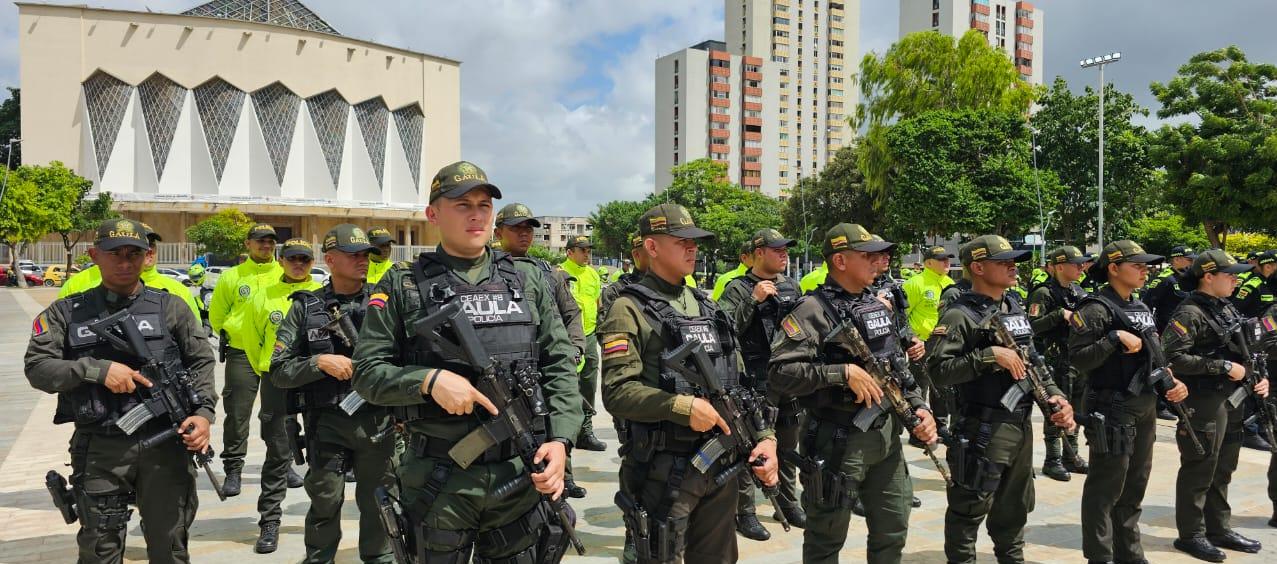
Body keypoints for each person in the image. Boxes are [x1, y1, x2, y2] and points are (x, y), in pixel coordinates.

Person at [352, 161, 583, 562]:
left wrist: (561, 440)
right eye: (462, 205)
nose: (477, 214)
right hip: (439, 479)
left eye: (484, 205)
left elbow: (560, 364)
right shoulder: (403, 283)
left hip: (520, 471)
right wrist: (429, 380)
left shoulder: (526, 280)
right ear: (433, 214)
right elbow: (367, 372)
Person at [25, 218, 217, 563]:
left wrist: (202, 415)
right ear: (94, 255)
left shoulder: (171, 307)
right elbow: (37, 367)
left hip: (167, 445)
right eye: (116, 254)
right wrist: (95, 370)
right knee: (100, 550)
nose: (125, 262)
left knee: (171, 547)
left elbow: (201, 362)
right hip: (102, 448)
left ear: (148, 256)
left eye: (134, 253)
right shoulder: (67, 312)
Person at [601, 203, 778, 563]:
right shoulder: (627, 308)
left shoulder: (707, 306)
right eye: (681, 241)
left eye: (695, 241)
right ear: (651, 248)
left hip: (720, 464)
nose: (692, 248)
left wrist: (765, 438)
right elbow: (617, 391)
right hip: (663, 471)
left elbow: (739, 383)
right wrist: (681, 407)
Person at [769, 223, 937, 563]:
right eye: (868, 256)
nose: (880, 262)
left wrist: (920, 406)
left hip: (886, 437)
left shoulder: (877, 306)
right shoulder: (812, 310)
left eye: (879, 255)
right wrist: (841, 373)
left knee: (893, 523)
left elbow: (896, 366)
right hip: (838, 440)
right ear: (841, 261)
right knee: (826, 536)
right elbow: (779, 373)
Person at [926, 234, 1076, 564]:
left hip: (1019, 425)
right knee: (969, 508)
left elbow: (1034, 360)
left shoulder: (1013, 306)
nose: (1013, 267)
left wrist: (1056, 398)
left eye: (1014, 261)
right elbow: (936, 370)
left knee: (1014, 507)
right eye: (1003, 261)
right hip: (983, 428)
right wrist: (988, 356)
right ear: (977, 267)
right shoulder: (958, 315)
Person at [271, 224, 398, 563]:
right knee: (325, 501)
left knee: (380, 502)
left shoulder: (385, 303)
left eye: (366, 255)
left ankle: (380, 558)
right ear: (329, 259)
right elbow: (279, 370)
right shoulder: (306, 308)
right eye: (353, 255)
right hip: (326, 424)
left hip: (378, 424)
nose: (363, 261)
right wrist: (318, 362)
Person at [1068, 240, 1187, 563]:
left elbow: (1155, 355)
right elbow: (1078, 359)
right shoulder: (1095, 308)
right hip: (1111, 406)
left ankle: (1130, 554)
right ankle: (1100, 555)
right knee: (1106, 488)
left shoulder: (1140, 307)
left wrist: (1171, 383)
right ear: (1114, 268)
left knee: (1135, 485)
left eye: (1146, 265)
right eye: (1137, 265)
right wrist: (1112, 339)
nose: (1144, 271)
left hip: (1143, 404)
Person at [1164, 249, 1267, 562]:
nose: (1236, 278)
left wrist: (1257, 379)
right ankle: (1190, 534)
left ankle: (1218, 528)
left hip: (1232, 399)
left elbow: (1245, 350)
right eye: (1229, 274)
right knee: (1200, 468)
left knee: (1223, 468)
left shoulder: (1225, 307)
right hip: (1204, 400)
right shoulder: (1190, 312)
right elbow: (1173, 357)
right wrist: (1221, 367)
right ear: (1208, 276)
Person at [495, 202, 591, 498]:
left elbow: (571, 314)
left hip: (549, 363)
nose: (524, 234)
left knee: (559, 421)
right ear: (499, 233)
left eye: (528, 229)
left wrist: (575, 347)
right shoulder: (489, 271)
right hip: (511, 370)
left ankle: (565, 476)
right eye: (516, 228)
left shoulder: (549, 273)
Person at [718, 228, 804, 539]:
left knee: (788, 440)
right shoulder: (738, 288)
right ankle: (746, 512)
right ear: (758, 253)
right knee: (750, 448)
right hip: (753, 380)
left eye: (786, 249)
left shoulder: (791, 286)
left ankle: (788, 501)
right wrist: (752, 301)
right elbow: (724, 330)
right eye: (777, 249)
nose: (784, 254)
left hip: (787, 379)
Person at [238, 238, 322, 552]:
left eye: (304, 259)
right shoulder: (262, 296)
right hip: (277, 382)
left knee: (322, 452)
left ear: (313, 262)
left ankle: (321, 520)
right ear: (281, 260)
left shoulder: (322, 295)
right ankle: (270, 521)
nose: (298, 264)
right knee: (277, 453)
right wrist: (268, 368)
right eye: (292, 258)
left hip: (315, 380)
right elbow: (250, 341)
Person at [208, 223, 289, 497]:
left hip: (276, 355)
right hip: (241, 353)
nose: (265, 246)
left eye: (270, 241)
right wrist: (239, 331)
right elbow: (217, 317)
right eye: (260, 241)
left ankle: (283, 464)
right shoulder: (232, 277)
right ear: (248, 244)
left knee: (279, 413)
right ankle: (233, 469)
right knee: (238, 413)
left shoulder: (283, 273)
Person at [1028, 246, 1091, 482]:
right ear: (1059, 266)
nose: (1080, 267)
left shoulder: (1078, 291)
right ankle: (1052, 460)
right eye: (1076, 264)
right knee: (1056, 410)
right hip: (1054, 361)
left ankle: (1071, 456)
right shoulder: (1043, 293)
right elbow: (1031, 326)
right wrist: (1058, 315)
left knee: (1075, 409)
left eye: (1081, 263)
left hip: (1076, 358)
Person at [58, 226, 201, 319]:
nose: (148, 251)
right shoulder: (77, 283)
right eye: (117, 251)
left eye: (150, 245)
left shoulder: (178, 291)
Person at [560, 234, 609, 452]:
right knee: (568, 386)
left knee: (589, 385)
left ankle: (585, 432)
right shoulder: (558, 273)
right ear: (570, 252)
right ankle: (565, 433)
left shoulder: (592, 274)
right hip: (566, 338)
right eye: (583, 250)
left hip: (588, 336)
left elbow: (598, 303)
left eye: (588, 250)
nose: (587, 254)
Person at [1145, 245, 1198, 421]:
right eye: (1188, 260)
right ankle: (1159, 405)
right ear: (1176, 259)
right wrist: (1153, 332)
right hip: (1163, 332)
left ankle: (1174, 403)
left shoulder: (1187, 279)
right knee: (1162, 368)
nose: (1191, 263)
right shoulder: (1165, 279)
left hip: (1182, 332)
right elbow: (1148, 305)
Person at [902, 245, 956, 419]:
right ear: (929, 263)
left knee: (944, 385)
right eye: (942, 259)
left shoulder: (950, 284)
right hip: (922, 343)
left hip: (946, 342)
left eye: (948, 258)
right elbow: (901, 316)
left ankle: (940, 424)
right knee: (919, 386)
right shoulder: (915, 283)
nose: (947, 262)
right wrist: (911, 339)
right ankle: (918, 425)